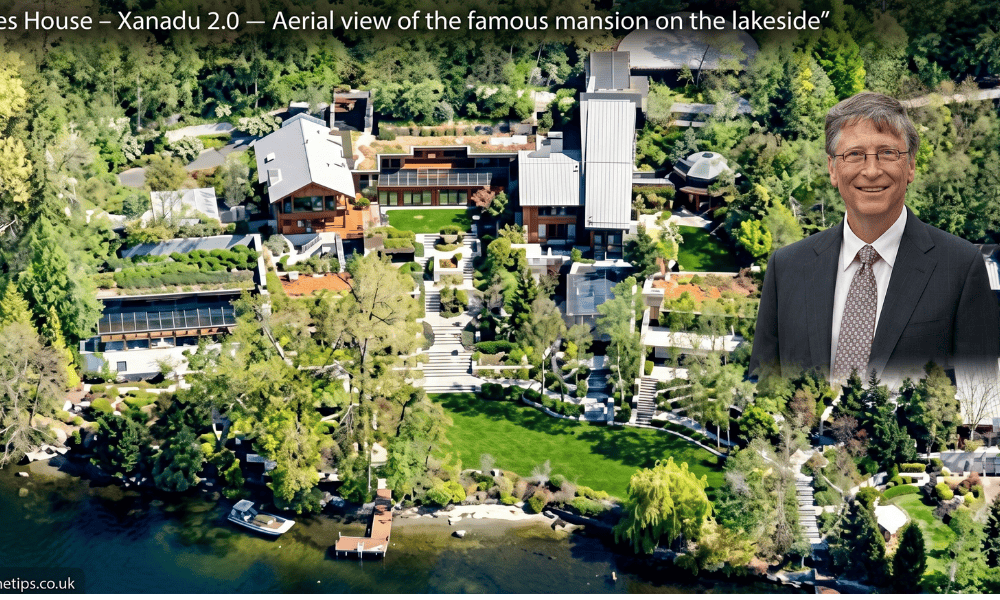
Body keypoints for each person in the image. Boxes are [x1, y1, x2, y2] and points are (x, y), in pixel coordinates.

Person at [749, 92, 999, 384]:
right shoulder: (786, 267)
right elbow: (760, 384)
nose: (871, 171)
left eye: (888, 153)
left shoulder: (960, 267)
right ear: (832, 168)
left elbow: (983, 391)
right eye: (854, 154)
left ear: (910, 166)